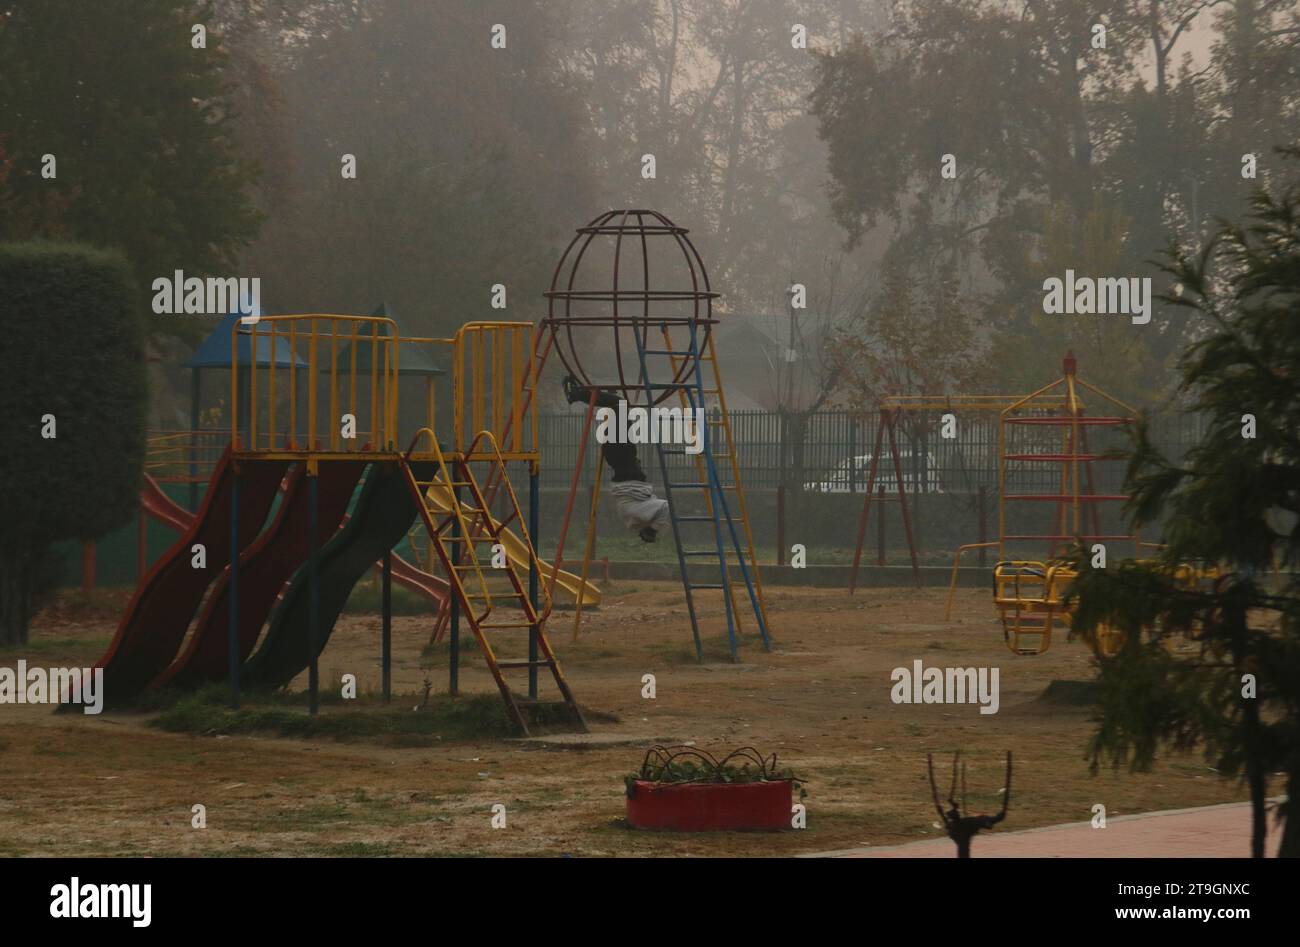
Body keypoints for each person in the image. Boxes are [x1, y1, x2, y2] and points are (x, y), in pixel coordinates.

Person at [563, 374, 670, 543]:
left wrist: (654, 529)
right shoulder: (634, 515)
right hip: (618, 457)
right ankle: (582, 394)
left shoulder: (638, 511)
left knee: (620, 405)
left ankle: (577, 395)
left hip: (622, 456)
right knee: (618, 408)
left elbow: (665, 507)